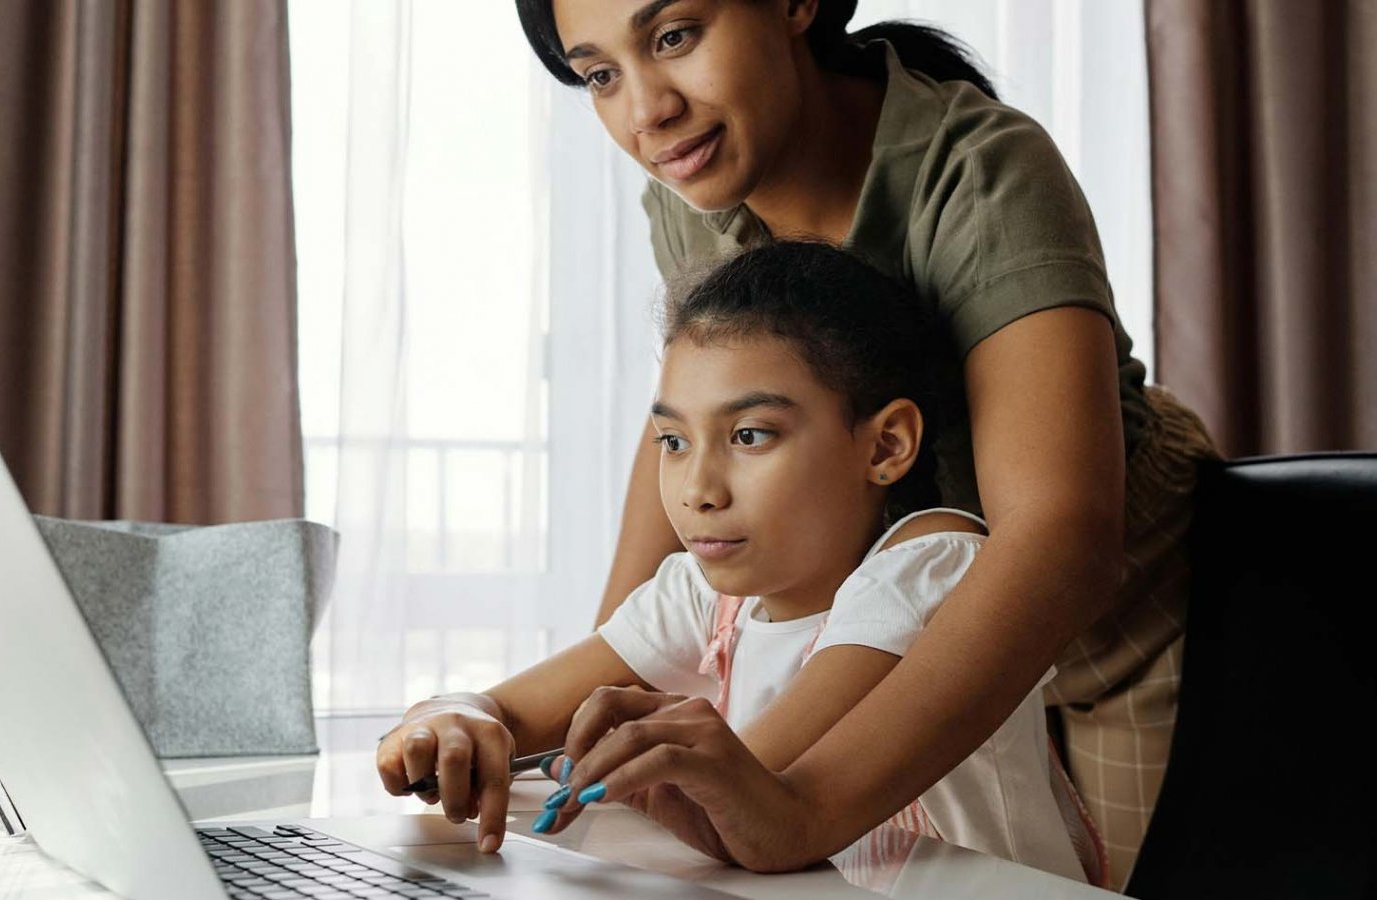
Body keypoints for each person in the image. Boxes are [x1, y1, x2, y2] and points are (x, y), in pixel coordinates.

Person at [513, 0, 1219, 885]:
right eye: (600, 75)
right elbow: (693, 419)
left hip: (1111, 623)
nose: (647, 110)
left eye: (675, 37)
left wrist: (802, 809)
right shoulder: (693, 184)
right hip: (894, 622)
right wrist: (605, 704)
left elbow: (1059, 536)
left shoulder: (981, 170)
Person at [377, 242, 1106, 882]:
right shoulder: (709, 595)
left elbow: (752, 793)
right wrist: (452, 719)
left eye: (752, 435)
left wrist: (613, 763)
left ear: (885, 446)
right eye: (674, 441)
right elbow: (508, 709)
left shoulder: (933, 566)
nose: (697, 489)